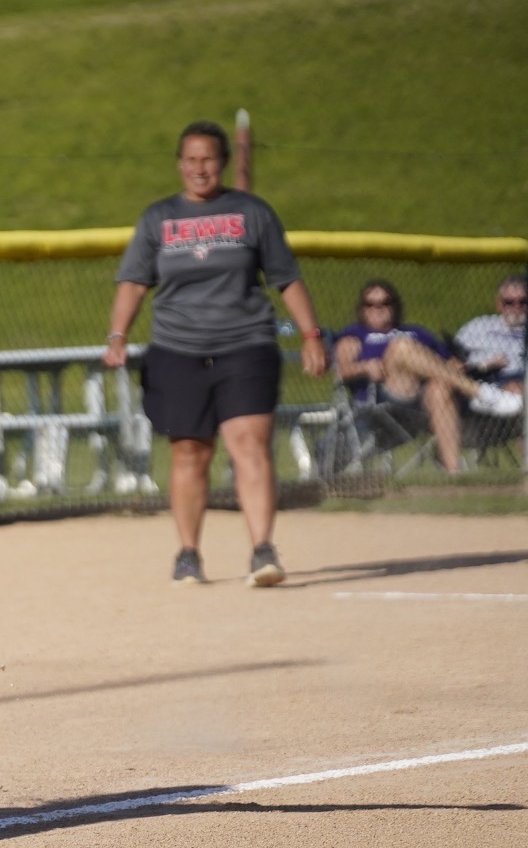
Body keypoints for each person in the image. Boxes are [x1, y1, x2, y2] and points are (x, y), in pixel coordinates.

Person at [106, 119, 326, 587]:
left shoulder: (252, 212)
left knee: (249, 443)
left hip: (245, 343)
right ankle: (188, 553)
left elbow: (286, 277)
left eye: (208, 158)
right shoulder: (158, 218)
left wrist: (310, 335)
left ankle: (262, 549)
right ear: (179, 164)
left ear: (223, 162)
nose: (199, 168)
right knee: (189, 451)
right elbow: (133, 282)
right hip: (177, 348)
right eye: (191, 159)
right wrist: (117, 336)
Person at [332, 280, 519, 472]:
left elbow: (448, 366)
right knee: (400, 347)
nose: (378, 308)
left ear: (395, 305)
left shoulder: (417, 332)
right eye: (370, 304)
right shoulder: (354, 335)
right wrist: (364, 367)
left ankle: (454, 474)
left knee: (439, 388)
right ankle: (481, 393)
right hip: (388, 400)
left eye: (385, 302)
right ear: (362, 308)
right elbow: (340, 372)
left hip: (427, 402)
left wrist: (470, 365)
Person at [454, 274, 527, 400]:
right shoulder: (480, 325)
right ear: (499, 304)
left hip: (519, 378)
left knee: (516, 388)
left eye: (523, 302)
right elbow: (453, 359)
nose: (517, 308)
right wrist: (485, 365)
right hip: (482, 379)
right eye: (509, 303)